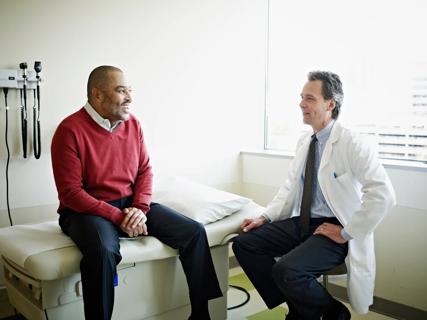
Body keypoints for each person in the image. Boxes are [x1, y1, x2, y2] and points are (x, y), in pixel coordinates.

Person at [51, 65, 222, 320]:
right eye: (121, 91)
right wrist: (118, 216)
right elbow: (71, 193)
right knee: (104, 251)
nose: (129, 98)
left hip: (130, 206)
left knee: (194, 232)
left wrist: (140, 210)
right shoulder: (70, 130)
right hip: (85, 211)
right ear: (97, 95)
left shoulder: (133, 125)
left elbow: (145, 171)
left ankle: (201, 314)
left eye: (130, 90)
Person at [232, 71, 396, 320]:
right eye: (301, 97)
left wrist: (346, 232)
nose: (301, 103)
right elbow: (289, 188)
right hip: (304, 222)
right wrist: (265, 217)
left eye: (309, 98)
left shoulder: (352, 143)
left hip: (335, 228)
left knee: (287, 270)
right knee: (245, 243)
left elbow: (383, 194)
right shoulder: (305, 142)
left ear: (330, 104)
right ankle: (312, 308)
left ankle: (323, 311)